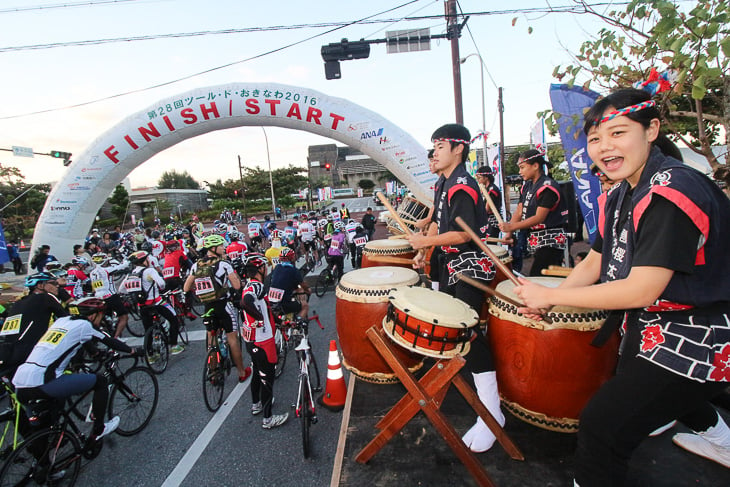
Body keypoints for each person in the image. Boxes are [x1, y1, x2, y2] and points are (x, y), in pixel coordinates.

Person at [513, 88, 730, 484]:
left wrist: (548, 295)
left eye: (618, 133)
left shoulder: (671, 190)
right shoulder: (623, 192)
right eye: (595, 138)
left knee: (602, 425)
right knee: (652, 397)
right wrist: (553, 301)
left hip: (698, 333)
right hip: (648, 328)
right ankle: (721, 439)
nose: (603, 147)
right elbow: (596, 260)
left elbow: (643, 289)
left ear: (652, 130)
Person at [406, 123, 504, 453]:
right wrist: (423, 251)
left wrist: (425, 240)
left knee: (470, 334)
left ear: (459, 148)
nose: (433, 152)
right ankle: (468, 392)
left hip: (470, 266)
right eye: (432, 146)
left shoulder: (463, 184)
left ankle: (493, 412)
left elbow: (464, 235)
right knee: (451, 331)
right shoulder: (443, 183)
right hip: (449, 266)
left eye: (440, 146)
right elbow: (438, 223)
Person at [12, 297, 139, 443]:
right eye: (101, 316)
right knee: (101, 381)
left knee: (41, 431)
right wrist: (133, 351)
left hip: (20, 382)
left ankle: (46, 458)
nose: (101, 320)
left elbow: (77, 340)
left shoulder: (61, 322)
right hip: (44, 380)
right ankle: (99, 429)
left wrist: (95, 353)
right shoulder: (85, 325)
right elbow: (109, 341)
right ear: (92, 315)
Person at [183, 234, 251, 382]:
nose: (223, 248)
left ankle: (213, 372)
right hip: (223, 305)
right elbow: (237, 285)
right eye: (221, 246)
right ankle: (241, 372)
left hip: (207, 306)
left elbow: (186, 287)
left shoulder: (196, 265)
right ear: (213, 248)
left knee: (211, 338)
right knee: (232, 337)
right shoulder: (224, 264)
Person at [499, 149, 569, 276]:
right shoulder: (527, 186)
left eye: (522, 167)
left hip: (551, 241)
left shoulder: (547, 187)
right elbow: (519, 212)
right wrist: (509, 233)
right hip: (535, 240)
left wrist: (512, 226)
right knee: (542, 278)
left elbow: (539, 218)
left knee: (538, 277)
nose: (520, 172)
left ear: (536, 166)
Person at [239, 252, 289, 429]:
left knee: (256, 372)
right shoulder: (257, 286)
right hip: (262, 339)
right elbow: (245, 303)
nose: (267, 268)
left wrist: (275, 320)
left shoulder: (250, 285)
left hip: (251, 338)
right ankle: (268, 419)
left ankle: (256, 404)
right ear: (260, 268)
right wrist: (260, 320)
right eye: (264, 266)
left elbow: (263, 307)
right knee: (268, 378)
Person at [0, 272, 68, 372]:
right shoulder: (46, 298)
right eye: (53, 283)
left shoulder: (18, 302)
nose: (57, 286)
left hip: (9, 351)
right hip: (31, 351)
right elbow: (67, 319)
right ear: (40, 286)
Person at [125, 250, 184, 355]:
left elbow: (122, 289)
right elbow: (161, 284)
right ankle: (174, 346)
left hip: (142, 306)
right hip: (156, 303)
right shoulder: (149, 271)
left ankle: (151, 354)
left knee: (148, 329)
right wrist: (160, 289)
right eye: (147, 259)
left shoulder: (131, 273)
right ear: (144, 261)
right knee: (174, 319)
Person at [90, 253, 132, 338]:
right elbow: (122, 266)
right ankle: (116, 338)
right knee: (124, 317)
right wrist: (126, 260)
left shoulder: (92, 273)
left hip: (98, 297)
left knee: (104, 316)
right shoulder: (106, 270)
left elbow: (94, 287)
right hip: (110, 296)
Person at [268, 247, 311, 321]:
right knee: (305, 306)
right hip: (283, 304)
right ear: (292, 258)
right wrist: (308, 290)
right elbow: (302, 285)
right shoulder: (294, 270)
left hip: (271, 302)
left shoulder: (277, 267)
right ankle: (297, 322)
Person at [475, 166, 502, 238]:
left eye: (479, 178)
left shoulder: (492, 189)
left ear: (486, 177)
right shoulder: (485, 189)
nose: (478, 180)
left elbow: (488, 208)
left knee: (491, 243)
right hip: (486, 220)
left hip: (493, 221)